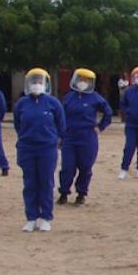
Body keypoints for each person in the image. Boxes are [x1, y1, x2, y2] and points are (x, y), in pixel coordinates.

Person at [14, 69, 65, 232]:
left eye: (40, 82)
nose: (36, 85)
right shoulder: (21, 103)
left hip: (47, 148)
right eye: (33, 82)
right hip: (27, 148)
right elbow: (17, 124)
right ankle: (31, 218)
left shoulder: (53, 103)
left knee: (46, 182)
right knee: (29, 183)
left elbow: (61, 125)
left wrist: (56, 141)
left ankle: (46, 217)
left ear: (46, 84)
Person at [58, 68, 113, 205]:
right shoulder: (69, 97)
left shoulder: (95, 97)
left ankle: (81, 193)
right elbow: (60, 116)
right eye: (80, 79)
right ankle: (64, 192)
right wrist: (60, 135)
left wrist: (100, 127)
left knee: (85, 166)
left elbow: (108, 112)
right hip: (69, 136)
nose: (83, 82)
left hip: (88, 137)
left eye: (86, 80)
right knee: (67, 167)